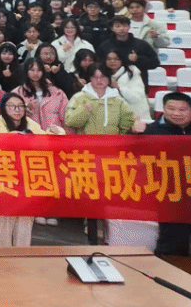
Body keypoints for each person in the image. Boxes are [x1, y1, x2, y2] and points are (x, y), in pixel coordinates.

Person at [137, 92, 191, 259]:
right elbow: (129, 154)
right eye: (171, 108)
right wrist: (135, 134)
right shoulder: (150, 131)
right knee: (172, 246)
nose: (176, 113)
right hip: (169, 196)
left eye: (182, 110)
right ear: (163, 109)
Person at [64, 65, 136, 245]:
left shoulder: (117, 99)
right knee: (90, 191)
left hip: (110, 154)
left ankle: (106, 229)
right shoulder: (80, 97)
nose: (99, 80)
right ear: (89, 78)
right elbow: (70, 121)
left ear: (109, 78)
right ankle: (91, 230)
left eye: (103, 76)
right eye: (95, 76)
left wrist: (119, 139)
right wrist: (85, 109)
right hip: (86, 154)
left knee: (108, 191)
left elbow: (127, 122)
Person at [0, 93, 49, 247]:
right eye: (12, 106)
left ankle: (22, 259)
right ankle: (3, 259)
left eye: (20, 106)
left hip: (26, 181)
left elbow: (46, 144)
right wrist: (10, 139)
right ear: (4, 108)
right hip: (4, 181)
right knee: (3, 228)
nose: (17, 110)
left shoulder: (31, 124)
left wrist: (55, 132)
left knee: (25, 227)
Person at [96, 16, 158, 84]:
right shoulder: (105, 46)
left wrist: (138, 59)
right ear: (112, 28)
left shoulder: (141, 44)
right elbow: (98, 65)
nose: (122, 29)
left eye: (125, 26)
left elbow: (155, 63)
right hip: (111, 83)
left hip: (137, 83)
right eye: (118, 26)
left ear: (129, 27)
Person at [102, 49, 150, 120]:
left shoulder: (132, 73)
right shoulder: (102, 75)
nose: (112, 61)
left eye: (116, 59)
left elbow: (137, 98)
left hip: (137, 115)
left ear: (122, 60)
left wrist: (119, 88)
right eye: (109, 59)